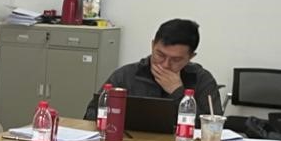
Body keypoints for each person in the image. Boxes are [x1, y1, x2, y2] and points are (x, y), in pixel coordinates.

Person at [85, 18, 223, 118]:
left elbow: (213, 127)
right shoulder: (126, 75)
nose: (165, 64)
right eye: (160, 55)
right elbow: (91, 114)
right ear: (152, 45)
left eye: (176, 59)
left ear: (191, 57)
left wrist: (178, 93)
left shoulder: (202, 79)